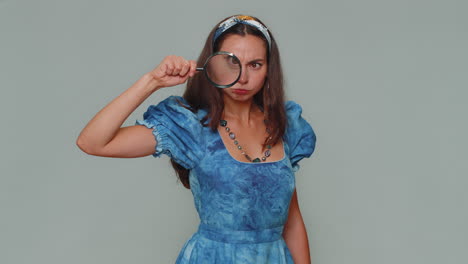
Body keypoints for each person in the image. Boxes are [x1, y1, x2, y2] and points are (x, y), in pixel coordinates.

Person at [77, 14, 317, 264]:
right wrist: (152, 82)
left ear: (269, 70)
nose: (242, 77)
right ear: (211, 65)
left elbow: (292, 223)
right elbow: (93, 142)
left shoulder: (285, 126)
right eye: (230, 62)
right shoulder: (191, 126)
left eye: (255, 64)